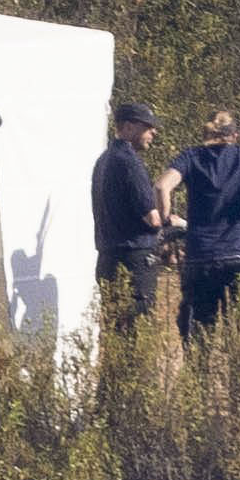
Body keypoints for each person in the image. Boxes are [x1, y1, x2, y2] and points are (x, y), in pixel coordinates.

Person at [156, 109, 240, 336]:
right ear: (235, 135)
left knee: (199, 333)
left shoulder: (191, 157)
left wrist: (167, 222)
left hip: (200, 256)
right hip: (239, 253)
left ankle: (198, 369)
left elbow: (162, 186)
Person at [91, 101, 164, 328]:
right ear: (129, 127)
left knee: (115, 328)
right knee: (137, 328)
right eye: (147, 126)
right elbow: (152, 218)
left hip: (107, 259)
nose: (153, 132)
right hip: (134, 260)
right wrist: (173, 223)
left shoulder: (102, 161)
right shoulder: (130, 162)